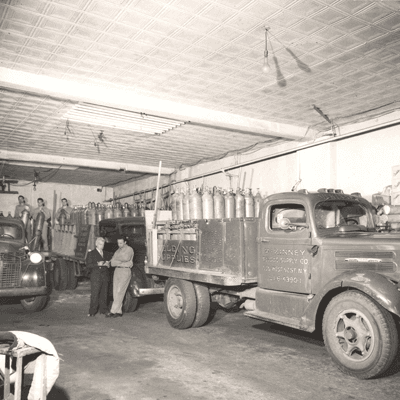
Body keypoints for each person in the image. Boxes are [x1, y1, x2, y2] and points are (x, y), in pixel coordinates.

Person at [106, 236, 134, 318]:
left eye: (121, 243)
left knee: (120, 291)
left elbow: (126, 258)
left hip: (125, 271)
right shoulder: (118, 250)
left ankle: (113, 311)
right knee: (115, 291)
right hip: (117, 271)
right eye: (118, 243)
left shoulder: (129, 249)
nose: (119, 245)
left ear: (125, 242)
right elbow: (112, 263)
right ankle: (119, 311)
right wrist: (118, 261)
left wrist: (116, 259)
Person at [86, 237, 111, 317]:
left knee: (104, 294)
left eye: (103, 245)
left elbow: (109, 263)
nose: (102, 246)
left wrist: (108, 264)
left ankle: (103, 310)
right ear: (96, 244)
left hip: (104, 276)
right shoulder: (91, 253)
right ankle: (92, 311)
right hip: (96, 276)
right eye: (100, 244)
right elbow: (88, 265)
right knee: (95, 294)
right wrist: (97, 264)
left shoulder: (106, 253)